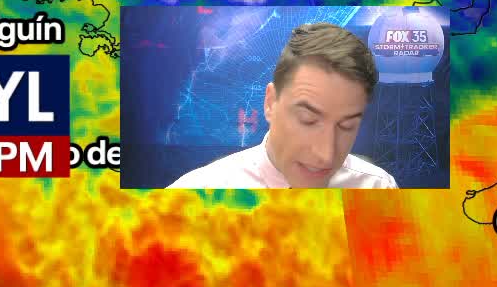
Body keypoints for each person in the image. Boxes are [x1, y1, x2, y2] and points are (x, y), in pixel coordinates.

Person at [168, 22, 397, 189]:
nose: (325, 155)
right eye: (308, 120)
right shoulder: (192, 199)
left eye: (347, 126)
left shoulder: (377, 189)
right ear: (270, 102)